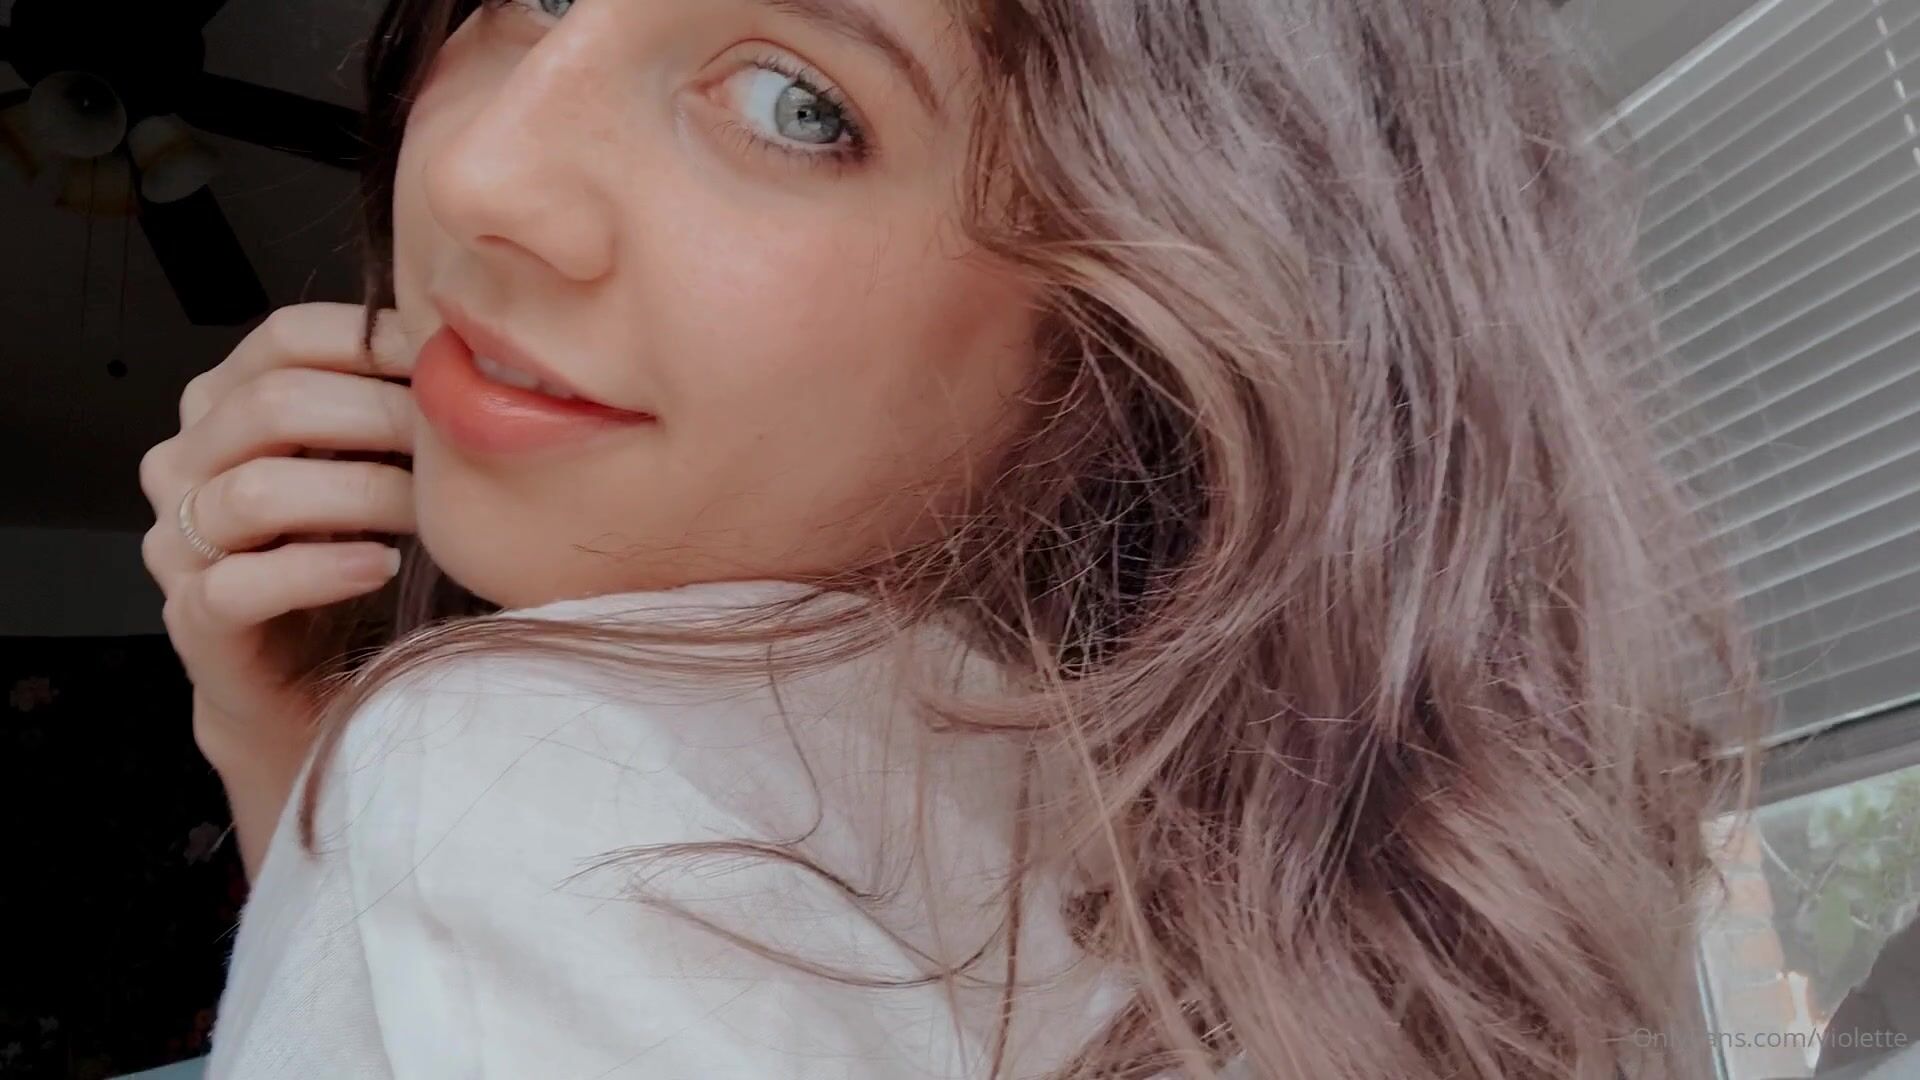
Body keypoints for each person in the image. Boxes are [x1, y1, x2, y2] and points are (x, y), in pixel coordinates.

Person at [136, 0, 1761, 1077]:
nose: (482, 169)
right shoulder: (1191, 868)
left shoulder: (516, 776)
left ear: (1143, 323)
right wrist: (294, 758)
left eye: (797, 104)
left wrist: (391, 769)